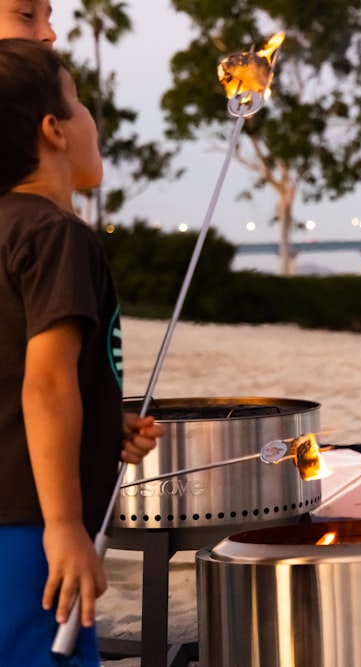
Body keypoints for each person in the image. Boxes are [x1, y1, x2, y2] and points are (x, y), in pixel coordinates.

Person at [0, 38, 157, 666]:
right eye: (79, 102)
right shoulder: (56, 235)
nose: (91, 116)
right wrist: (63, 526)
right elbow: (45, 384)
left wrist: (97, 427)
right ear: (53, 130)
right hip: (31, 528)